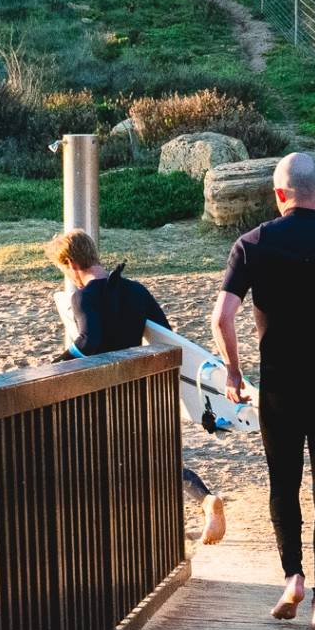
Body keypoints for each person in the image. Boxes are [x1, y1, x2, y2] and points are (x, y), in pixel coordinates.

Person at [212, 153, 315, 630]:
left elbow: (222, 317)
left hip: (280, 385)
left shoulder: (251, 243)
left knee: (283, 484)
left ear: (278, 194)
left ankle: (292, 578)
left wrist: (235, 373)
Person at [49, 228, 227, 545]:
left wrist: (58, 362)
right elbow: (167, 338)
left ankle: (121, 535)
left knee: (107, 462)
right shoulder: (136, 291)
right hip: (141, 389)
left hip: (104, 392)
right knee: (153, 459)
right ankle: (204, 500)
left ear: (71, 263)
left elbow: (90, 341)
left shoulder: (84, 296)